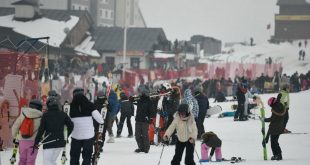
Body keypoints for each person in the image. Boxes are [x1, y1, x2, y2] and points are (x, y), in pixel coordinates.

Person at [34, 97, 73, 165]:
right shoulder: (63, 114)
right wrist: (66, 136)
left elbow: (41, 130)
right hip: (60, 142)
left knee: (47, 162)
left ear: (48, 105)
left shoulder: (46, 115)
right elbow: (71, 125)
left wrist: (36, 142)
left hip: (49, 142)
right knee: (52, 161)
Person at [69, 88, 103, 165]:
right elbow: (100, 120)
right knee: (87, 156)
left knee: (74, 156)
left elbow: (66, 121)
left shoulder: (70, 107)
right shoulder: (90, 105)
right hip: (89, 136)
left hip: (75, 136)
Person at [11, 100, 43, 165]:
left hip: (22, 140)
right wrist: (41, 138)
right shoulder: (41, 117)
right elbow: (42, 130)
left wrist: (15, 136)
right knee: (31, 161)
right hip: (34, 142)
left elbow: (15, 126)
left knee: (22, 159)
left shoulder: (23, 114)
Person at [134, 85, 153, 153]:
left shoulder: (149, 101)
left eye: (141, 92)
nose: (140, 93)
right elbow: (133, 100)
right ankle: (141, 147)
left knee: (145, 135)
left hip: (145, 120)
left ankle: (146, 148)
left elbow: (151, 110)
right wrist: (131, 99)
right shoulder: (139, 99)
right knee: (137, 135)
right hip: (138, 119)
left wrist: (150, 118)